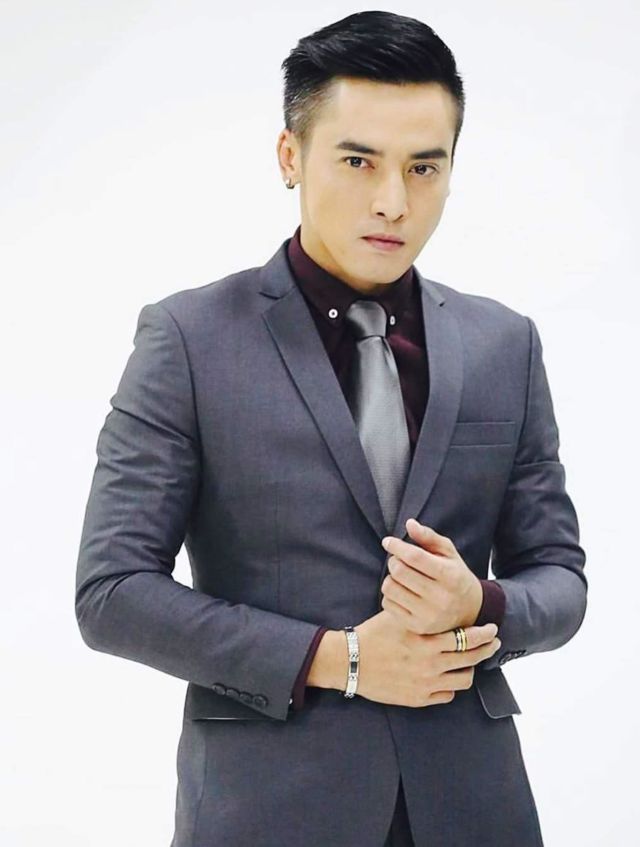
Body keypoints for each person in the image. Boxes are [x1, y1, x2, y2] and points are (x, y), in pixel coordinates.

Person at [75, 10, 587, 846]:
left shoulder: (505, 343)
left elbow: (560, 578)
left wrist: (482, 601)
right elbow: (112, 593)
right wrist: (338, 657)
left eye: (424, 167)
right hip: (270, 808)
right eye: (358, 161)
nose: (393, 201)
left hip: (475, 807)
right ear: (290, 156)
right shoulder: (189, 339)